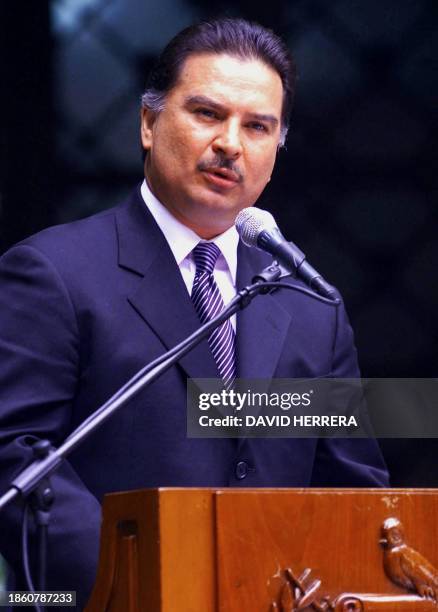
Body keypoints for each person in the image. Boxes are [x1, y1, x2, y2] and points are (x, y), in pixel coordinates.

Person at [0, 18, 389, 607]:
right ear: (149, 124)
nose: (231, 143)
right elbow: (15, 455)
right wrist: (144, 581)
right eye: (208, 114)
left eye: (258, 126)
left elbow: (354, 492)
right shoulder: (52, 272)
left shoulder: (311, 307)